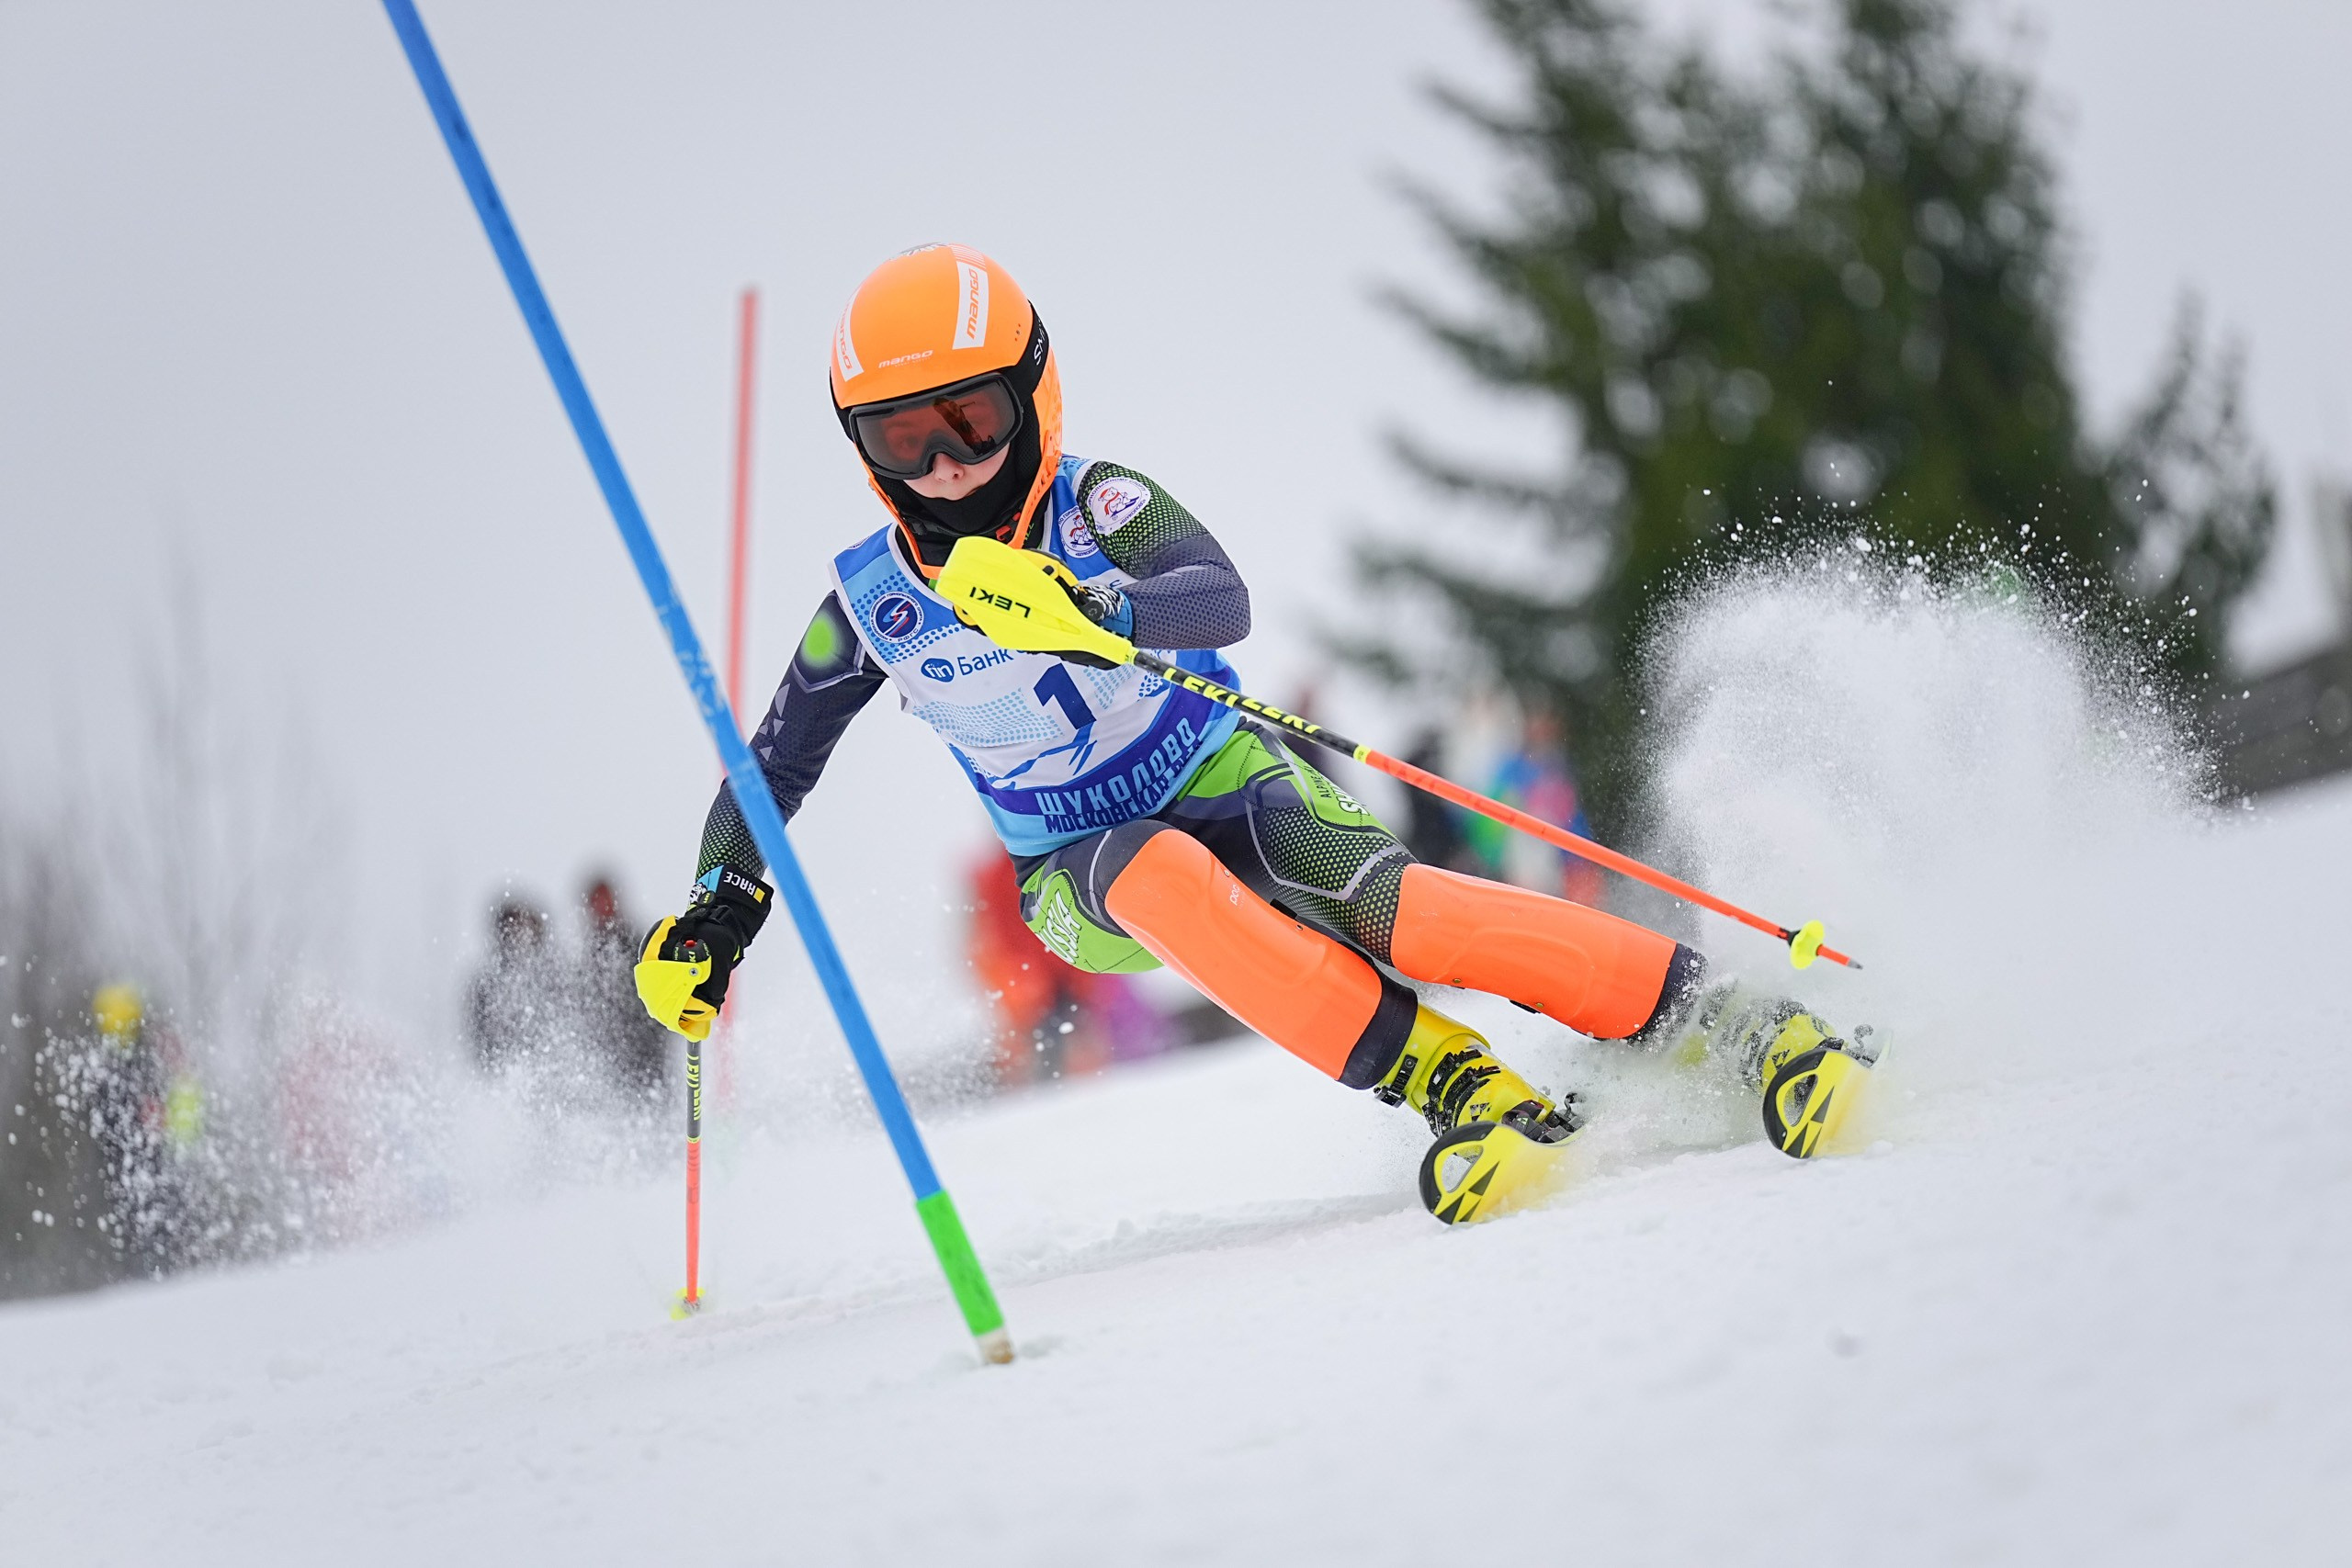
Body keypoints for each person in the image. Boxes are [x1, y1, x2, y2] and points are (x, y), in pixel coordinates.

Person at [632, 245, 1871, 1223]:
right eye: (904, 438)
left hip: (1221, 769)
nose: (948, 465)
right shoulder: (870, 607)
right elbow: (772, 763)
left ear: (1033, 394)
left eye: (971, 419)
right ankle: (1457, 1083)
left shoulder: (1095, 502)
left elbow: (1216, 596)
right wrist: (718, 908)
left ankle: (1734, 1022)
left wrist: (1098, 608)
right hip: (1070, 870)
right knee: (1157, 876)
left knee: (1410, 914)